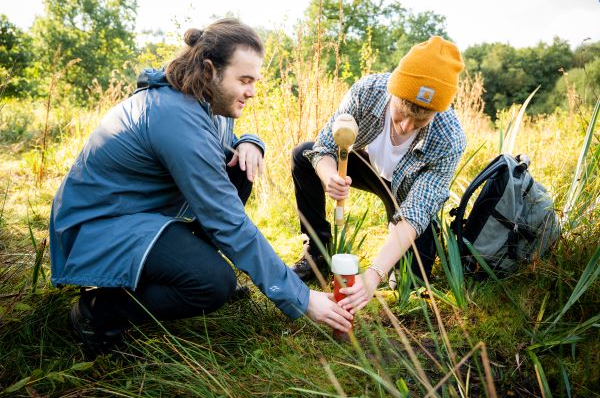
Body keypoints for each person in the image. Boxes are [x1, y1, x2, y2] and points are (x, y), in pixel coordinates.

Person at [49, 18, 352, 357]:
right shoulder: (174, 115)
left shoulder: (205, 103)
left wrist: (250, 141)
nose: (252, 91)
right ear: (210, 70)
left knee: (239, 167)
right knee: (212, 283)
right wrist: (301, 297)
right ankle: (97, 312)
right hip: (96, 227)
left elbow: (220, 145)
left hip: (137, 217)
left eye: (255, 81)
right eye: (244, 80)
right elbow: (227, 220)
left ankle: (186, 268)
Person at [290, 36, 466, 313]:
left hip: (409, 190)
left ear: (436, 112)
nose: (406, 126)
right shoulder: (367, 91)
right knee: (303, 155)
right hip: (368, 167)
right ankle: (317, 253)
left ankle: (408, 257)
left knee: (410, 282)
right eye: (401, 113)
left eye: (421, 120)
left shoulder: (449, 137)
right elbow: (324, 146)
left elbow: (418, 210)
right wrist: (329, 176)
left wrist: (374, 274)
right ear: (393, 92)